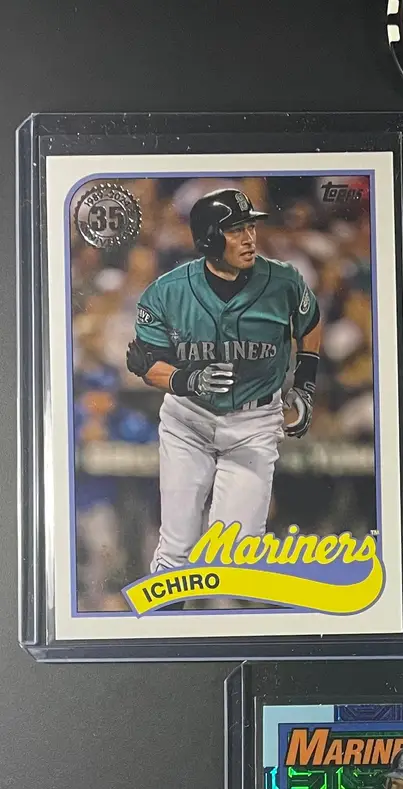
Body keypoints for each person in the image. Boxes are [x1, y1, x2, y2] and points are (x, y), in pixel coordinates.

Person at [125, 187, 322, 581]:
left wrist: (304, 385)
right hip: (189, 421)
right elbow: (144, 364)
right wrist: (188, 379)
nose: (249, 238)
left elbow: (310, 324)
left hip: (254, 422)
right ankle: (167, 618)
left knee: (237, 555)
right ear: (210, 238)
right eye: (236, 230)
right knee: (177, 550)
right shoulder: (168, 291)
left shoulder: (283, 281)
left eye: (250, 227)